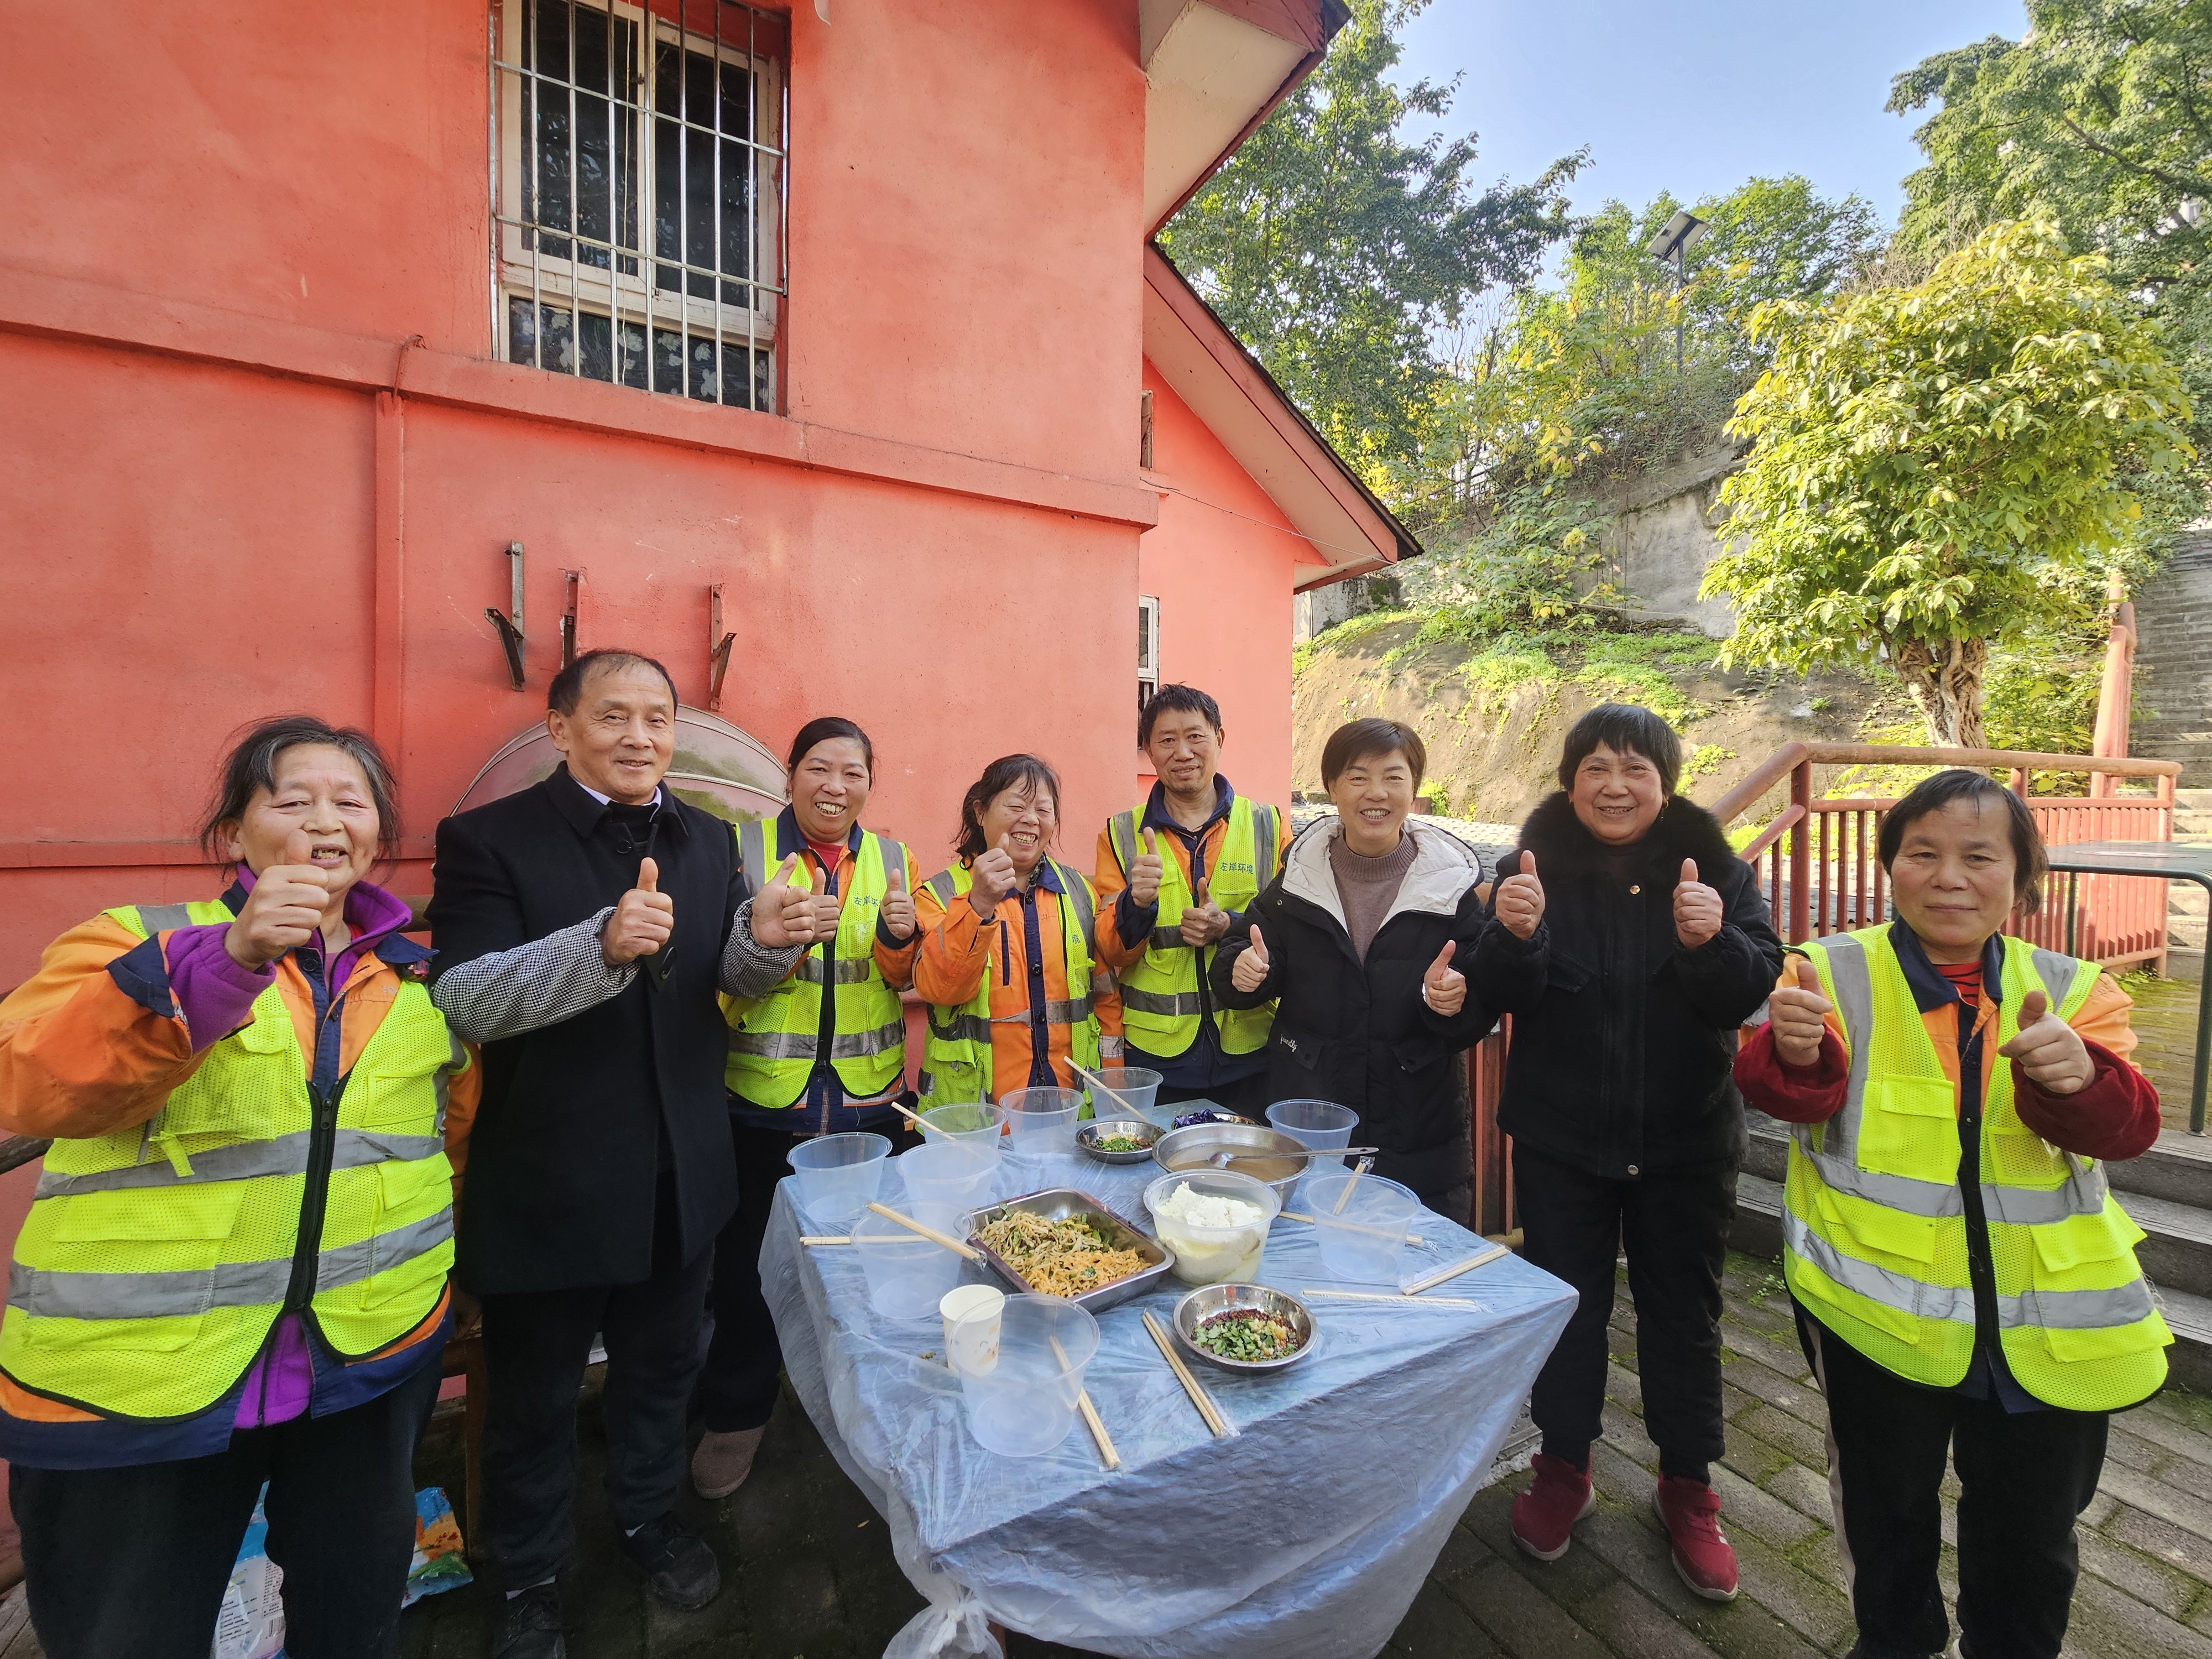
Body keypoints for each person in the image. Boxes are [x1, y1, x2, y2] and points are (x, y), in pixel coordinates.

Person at [0, 716, 475, 1659]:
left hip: (366, 1368)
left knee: (354, 1623)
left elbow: (444, 1140)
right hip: (139, 1393)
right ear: (237, 832)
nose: (325, 820)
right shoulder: (137, 941)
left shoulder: (420, 979)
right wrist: (233, 963)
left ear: (379, 833)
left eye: (351, 801)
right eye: (292, 800)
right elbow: (31, 1077)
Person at [426, 650, 819, 1659]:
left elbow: (716, 980)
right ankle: (526, 1577)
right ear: (562, 729)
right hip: (549, 1180)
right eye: (614, 716)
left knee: (660, 1371)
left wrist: (764, 943)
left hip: (682, 1175)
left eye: (657, 717)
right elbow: (464, 997)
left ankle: (648, 1518)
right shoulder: (487, 840)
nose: (640, 736)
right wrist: (596, 946)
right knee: (535, 1401)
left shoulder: (707, 838)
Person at [1735, 768, 2165, 1659]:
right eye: (1921, 854)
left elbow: (2126, 1128)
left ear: (2021, 876)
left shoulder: (2079, 990)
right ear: (1890, 868)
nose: (1949, 878)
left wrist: (2078, 1078)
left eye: (1979, 856)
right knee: (1886, 1522)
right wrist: (1793, 1052)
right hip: (1877, 1318)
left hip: (2045, 1330)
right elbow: (1789, 1092)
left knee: (2033, 1541)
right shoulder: (1829, 971)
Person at [1471, 703, 1781, 1601]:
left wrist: (1708, 941)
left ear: (1666, 781)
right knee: (1568, 1307)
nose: (1614, 785)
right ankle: (1563, 1468)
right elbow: (1490, 992)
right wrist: (1511, 935)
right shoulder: (1529, 867)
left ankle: (1688, 1488)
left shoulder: (1716, 870)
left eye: (1635, 768)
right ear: (1569, 781)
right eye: (1595, 767)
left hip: (1684, 1144)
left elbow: (1751, 989)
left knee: (1683, 1316)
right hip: (1563, 1140)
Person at [692, 717, 924, 1500]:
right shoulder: (743, 849)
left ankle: (869, 1412)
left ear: (869, 781)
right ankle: (736, 1416)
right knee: (750, 1273)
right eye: (819, 769)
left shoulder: (894, 858)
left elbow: (904, 973)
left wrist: (902, 938)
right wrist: (781, 941)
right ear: (790, 775)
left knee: (866, 1275)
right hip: (764, 1104)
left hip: (868, 1106)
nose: (835, 786)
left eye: (852, 772)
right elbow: (720, 968)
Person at [1209, 718, 1491, 1223]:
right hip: (1311, 1119)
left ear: (1415, 788)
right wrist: (1244, 971)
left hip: (1417, 1132)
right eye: (1358, 777)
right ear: (1333, 789)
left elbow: (1475, 1004)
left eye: (1393, 777)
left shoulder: (1452, 888)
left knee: (1415, 1268)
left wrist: (1451, 1000)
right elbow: (1244, 948)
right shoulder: (1299, 879)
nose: (1376, 793)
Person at [1093, 685, 1287, 1115]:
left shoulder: (1267, 825)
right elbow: (1108, 951)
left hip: (1250, 1048)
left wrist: (1231, 926)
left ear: (1219, 739)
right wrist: (1136, 905)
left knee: (1246, 1174)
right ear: (1148, 750)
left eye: (1195, 736)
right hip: (1158, 1056)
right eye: (1166, 740)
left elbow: (1292, 933)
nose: (1183, 752)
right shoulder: (1119, 834)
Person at [911, 754, 1122, 1104]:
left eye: (1044, 809)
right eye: (1016, 806)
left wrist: (1113, 1096)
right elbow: (942, 989)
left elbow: (1105, 998)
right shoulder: (939, 894)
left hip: (1071, 1110)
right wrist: (978, 905)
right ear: (980, 813)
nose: (1030, 820)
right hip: (978, 1124)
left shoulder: (1080, 892)